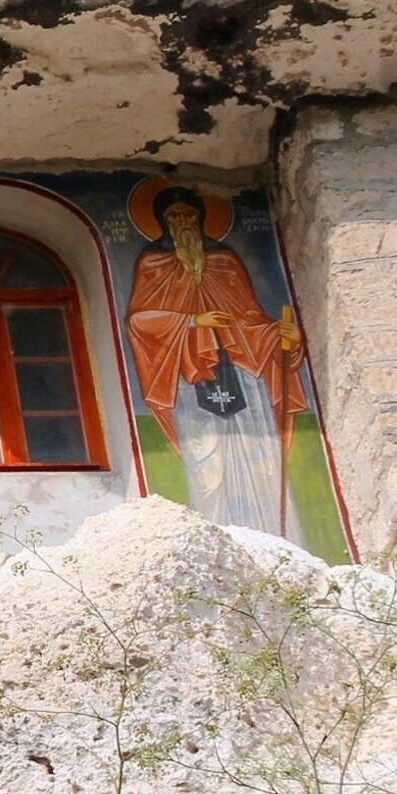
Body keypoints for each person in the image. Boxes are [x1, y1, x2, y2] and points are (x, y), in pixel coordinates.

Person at [124, 186, 303, 537]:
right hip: (191, 379)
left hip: (244, 375)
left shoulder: (225, 261)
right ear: (162, 221)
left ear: (202, 217)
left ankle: (278, 542)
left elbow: (250, 318)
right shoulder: (152, 263)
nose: (182, 222)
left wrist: (285, 338)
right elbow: (138, 320)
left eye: (189, 214)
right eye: (174, 216)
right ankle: (216, 538)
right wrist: (192, 321)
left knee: (261, 461)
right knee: (208, 468)